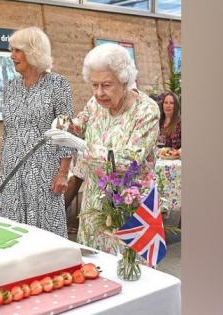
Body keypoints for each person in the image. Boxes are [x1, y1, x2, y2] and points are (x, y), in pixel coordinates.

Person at [60, 43, 160, 253]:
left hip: (129, 205)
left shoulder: (146, 110)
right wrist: (63, 125)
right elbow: (79, 125)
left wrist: (83, 148)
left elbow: (129, 160)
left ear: (124, 81)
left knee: (131, 273)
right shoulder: (95, 103)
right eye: (94, 85)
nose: (98, 93)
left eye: (106, 85)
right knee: (95, 270)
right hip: (94, 205)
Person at [0, 27, 74, 238]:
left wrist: (63, 173)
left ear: (33, 51)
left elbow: (65, 130)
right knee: (11, 230)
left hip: (44, 171)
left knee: (44, 232)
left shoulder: (59, 85)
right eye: (12, 50)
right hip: (12, 169)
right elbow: (8, 130)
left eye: (18, 50)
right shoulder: (10, 87)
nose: (12, 56)